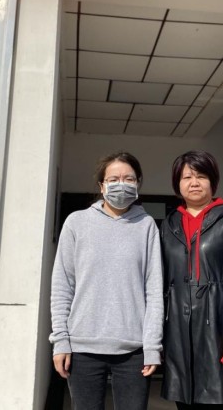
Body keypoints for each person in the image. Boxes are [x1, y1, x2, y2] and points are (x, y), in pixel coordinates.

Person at [49, 151, 164, 410]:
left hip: (133, 351)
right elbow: (62, 286)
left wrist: (152, 346)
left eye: (129, 179)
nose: (121, 184)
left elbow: (154, 290)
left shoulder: (146, 225)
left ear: (138, 183)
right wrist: (60, 341)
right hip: (82, 348)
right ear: (102, 185)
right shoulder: (76, 223)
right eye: (113, 179)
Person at [160, 150, 223, 409]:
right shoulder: (169, 225)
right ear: (177, 184)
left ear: (212, 182)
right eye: (187, 177)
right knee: (186, 401)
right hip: (180, 337)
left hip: (221, 331)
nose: (194, 183)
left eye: (201, 176)